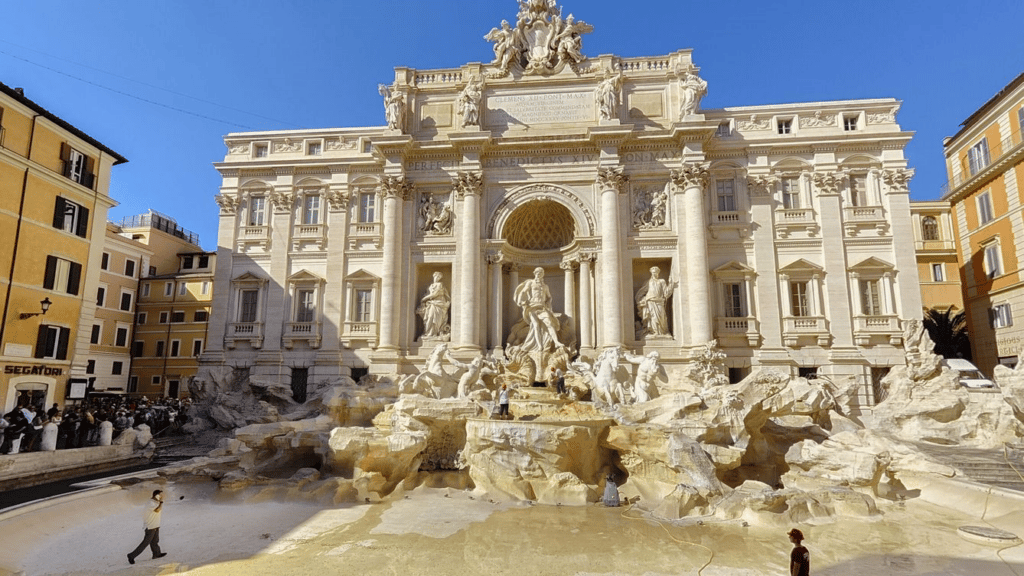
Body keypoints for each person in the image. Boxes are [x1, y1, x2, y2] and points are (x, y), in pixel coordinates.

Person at [513, 267, 563, 352]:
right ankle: (539, 346)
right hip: (532, 307)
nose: (539, 274)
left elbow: (549, 297)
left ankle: (556, 342)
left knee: (549, 323)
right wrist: (520, 301)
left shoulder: (545, 286)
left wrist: (548, 303)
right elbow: (523, 291)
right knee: (536, 326)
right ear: (534, 273)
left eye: (541, 273)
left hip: (542, 307)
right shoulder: (530, 283)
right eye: (537, 273)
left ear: (543, 274)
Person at [127, 489, 168, 564]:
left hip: (155, 525)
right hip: (150, 526)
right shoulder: (150, 503)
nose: (162, 496)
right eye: (160, 495)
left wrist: (160, 502)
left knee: (155, 541)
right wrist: (161, 502)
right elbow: (157, 510)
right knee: (145, 543)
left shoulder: (156, 502)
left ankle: (156, 554)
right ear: (156, 495)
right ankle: (131, 555)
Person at [635, 266, 676, 337]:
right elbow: (641, 292)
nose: (654, 273)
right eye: (653, 272)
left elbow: (666, 293)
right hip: (650, 301)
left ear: (658, 273)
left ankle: (662, 332)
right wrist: (641, 300)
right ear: (651, 273)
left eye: (656, 272)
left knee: (661, 318)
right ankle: (654, 332)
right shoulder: (648, 282)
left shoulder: (662, 281)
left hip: (659, 301)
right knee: (653, 317)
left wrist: (671, 284)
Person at [417, 272, 451, 339]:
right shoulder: (430, 286)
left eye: (439, 277)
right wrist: (425, 299)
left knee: (435, 319)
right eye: (437, 276)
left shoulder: (440, 284)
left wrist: (424, 299)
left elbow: (435, 294)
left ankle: (434, 333)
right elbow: (427, 294)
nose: (438, 278)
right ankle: (428, 333)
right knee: (429, 317)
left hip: (439, 304)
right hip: (432, 303)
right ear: (434, 276)